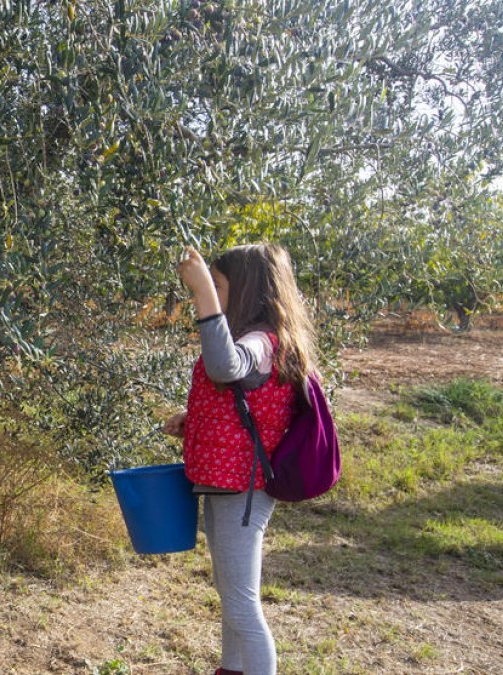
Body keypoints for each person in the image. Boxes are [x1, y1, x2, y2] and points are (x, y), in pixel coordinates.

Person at [162, 244, 318, 675]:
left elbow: (224, 367)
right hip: (228, 484)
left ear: (246, 289)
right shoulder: (265, 340)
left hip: (242, 489)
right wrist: (194, 419)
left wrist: (202, 297)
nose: (213, 290)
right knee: (232, 595)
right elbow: (246, 400)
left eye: (220, 284)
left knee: (242, 604)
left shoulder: (261, 343)